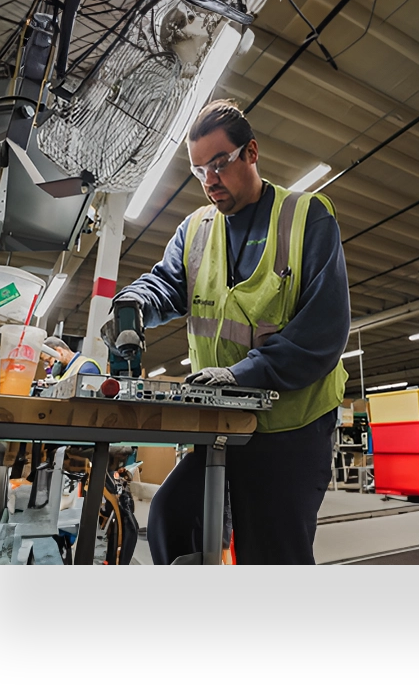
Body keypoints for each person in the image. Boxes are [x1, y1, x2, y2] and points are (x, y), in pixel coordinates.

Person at [101, 99, 351, 565]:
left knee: (270, 550)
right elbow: (165, 284)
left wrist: (244, 373)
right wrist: (134, 304)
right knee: (172, 518)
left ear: (251, 152)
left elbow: (324, 331)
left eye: (219, 164)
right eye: (199, 171)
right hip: (220, 423)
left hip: (290, 427)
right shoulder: (194, 229)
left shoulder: (307, 218)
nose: (210, 180)